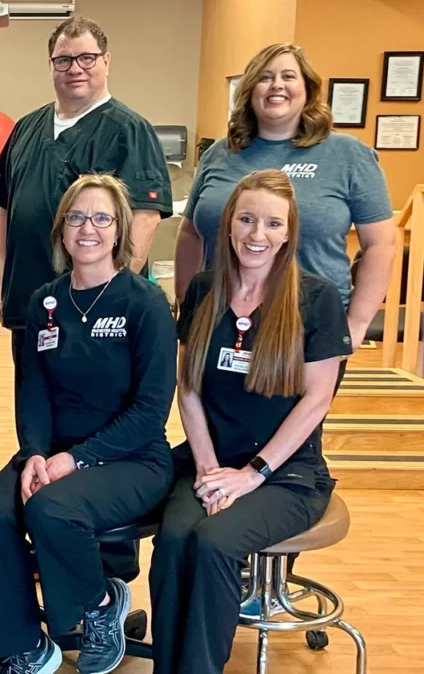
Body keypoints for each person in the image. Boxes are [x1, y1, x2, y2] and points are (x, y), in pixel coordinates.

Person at [0, 174, 176, 674]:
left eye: (101, 217)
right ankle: (23, 641)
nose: (88, 228)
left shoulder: (143, 302)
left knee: (52, 508)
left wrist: (74, 458)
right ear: (62, 230)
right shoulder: (46, 302)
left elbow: (151, 410)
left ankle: (101, 605)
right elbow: (34, 392)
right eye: (77, 217)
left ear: (119, 230)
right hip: (53, 451)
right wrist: (37, 452)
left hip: (132, 456)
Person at [149, 170, 353, 674]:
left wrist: (249, 476)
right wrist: (207, 468)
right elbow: (189, 386)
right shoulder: (202, 290)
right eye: (246, 219)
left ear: (288, 232)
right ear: (229, 225)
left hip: (284, 474)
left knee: (215, 543)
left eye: (271, 223)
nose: (256, 234)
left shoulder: (315, 298)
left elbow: (316, 399)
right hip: (210, 461)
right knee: (174, 540)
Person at [0, 15, 173, 582]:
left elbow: (140, 218)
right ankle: (55, 559)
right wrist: (3, 281)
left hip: (98, 306)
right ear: (50, 66)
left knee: (101, 408)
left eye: (87, 57)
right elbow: (7, 211)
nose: (76, 69)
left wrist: (115, 295)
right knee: (41, 410)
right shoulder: (27, 128)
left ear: (106, 62)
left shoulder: (127, 129)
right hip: (35, 303)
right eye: (64, 59)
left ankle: (106, 576)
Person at [174, 43, 395, 352]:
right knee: (210, 401)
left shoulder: (348, 155)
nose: (277, 85)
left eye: (288, 76)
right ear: (249, 90)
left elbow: (381, 245)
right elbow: (190, 233)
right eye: (265, 77)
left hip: (308, 322)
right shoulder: (219, 154)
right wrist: (187, 303)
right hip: (220, 315)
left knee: (304, 402)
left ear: (307, 88)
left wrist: (356, 324)